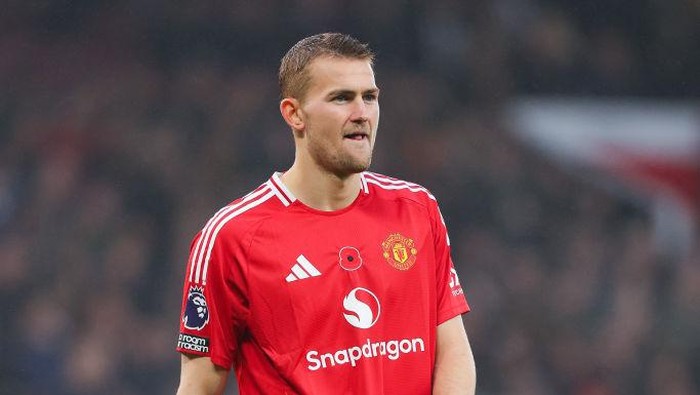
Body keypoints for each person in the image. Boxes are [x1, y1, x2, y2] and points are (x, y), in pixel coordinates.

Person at [175, 32, 476, 394]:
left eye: (370, 97)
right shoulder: (231, 238)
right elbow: (199, 388)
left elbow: (453, 351)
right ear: (294, 114)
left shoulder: (416, 209)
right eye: (341, 98)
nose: (361, 113)